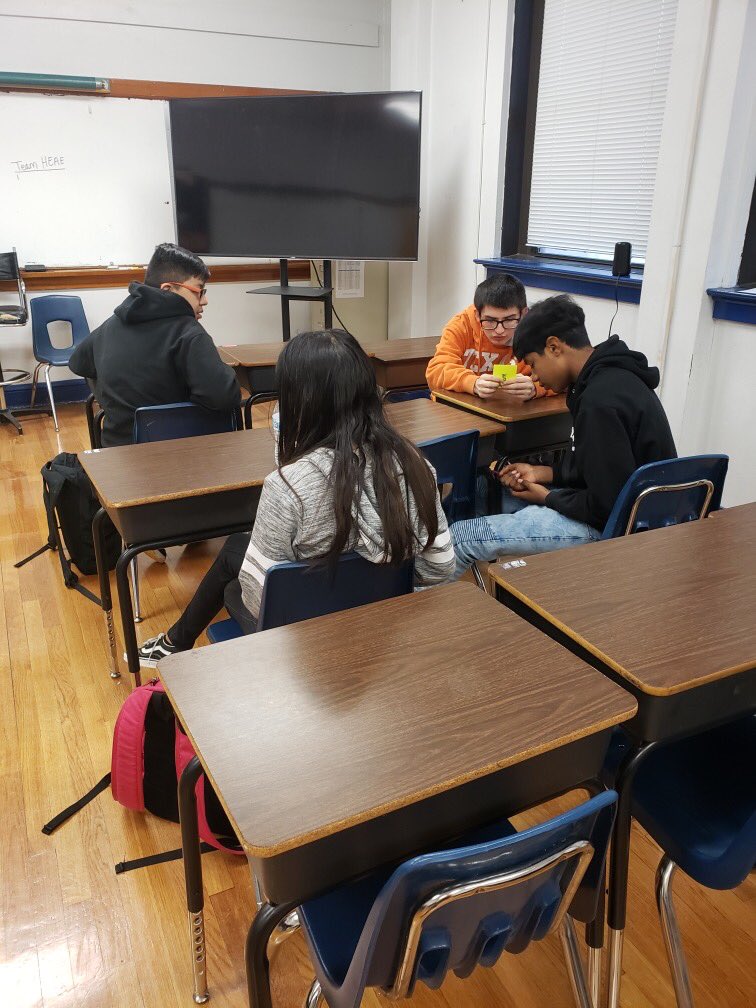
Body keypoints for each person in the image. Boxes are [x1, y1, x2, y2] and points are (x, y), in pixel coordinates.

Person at [135, 329, 456, 666]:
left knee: (233, 589)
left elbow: (262, 604)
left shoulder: (287, 487)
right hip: (384, 626)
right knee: (234, 549)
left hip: (308, 647)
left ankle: (173, 644)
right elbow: (441, 564)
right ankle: (174, 642)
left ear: (296, 399)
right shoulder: (416, 463)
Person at [450, 294, 677, 578]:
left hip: (617, 529)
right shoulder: (616, 377)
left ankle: (427, 618)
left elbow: (605, 505)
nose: (533, 375)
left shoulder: (599, 401)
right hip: (636, 511)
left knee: (460, 538)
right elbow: (603, 465)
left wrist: (546, 497)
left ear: (554, 347)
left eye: (533, 364)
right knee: (496, 494)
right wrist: (541, 472)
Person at [69, 242, 239, 447]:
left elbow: (78, 363)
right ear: (167, 289)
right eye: (199, 291)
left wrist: (111, 401)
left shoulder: (111, 324)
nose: (204, 301)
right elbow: (224, 397)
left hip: (116, 454)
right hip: (180, 453)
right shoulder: (188, 333)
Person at [425, 273, 549, 401]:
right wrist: (472, 383)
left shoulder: (535, 332)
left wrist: (535, 389)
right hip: (457, 409)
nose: (499, 330)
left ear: (523, 314)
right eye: (490, 320)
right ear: (477, 315)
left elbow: (563, 377)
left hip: (508, 411)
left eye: (509, 320)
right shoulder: (461, 326)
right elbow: (436, 371)